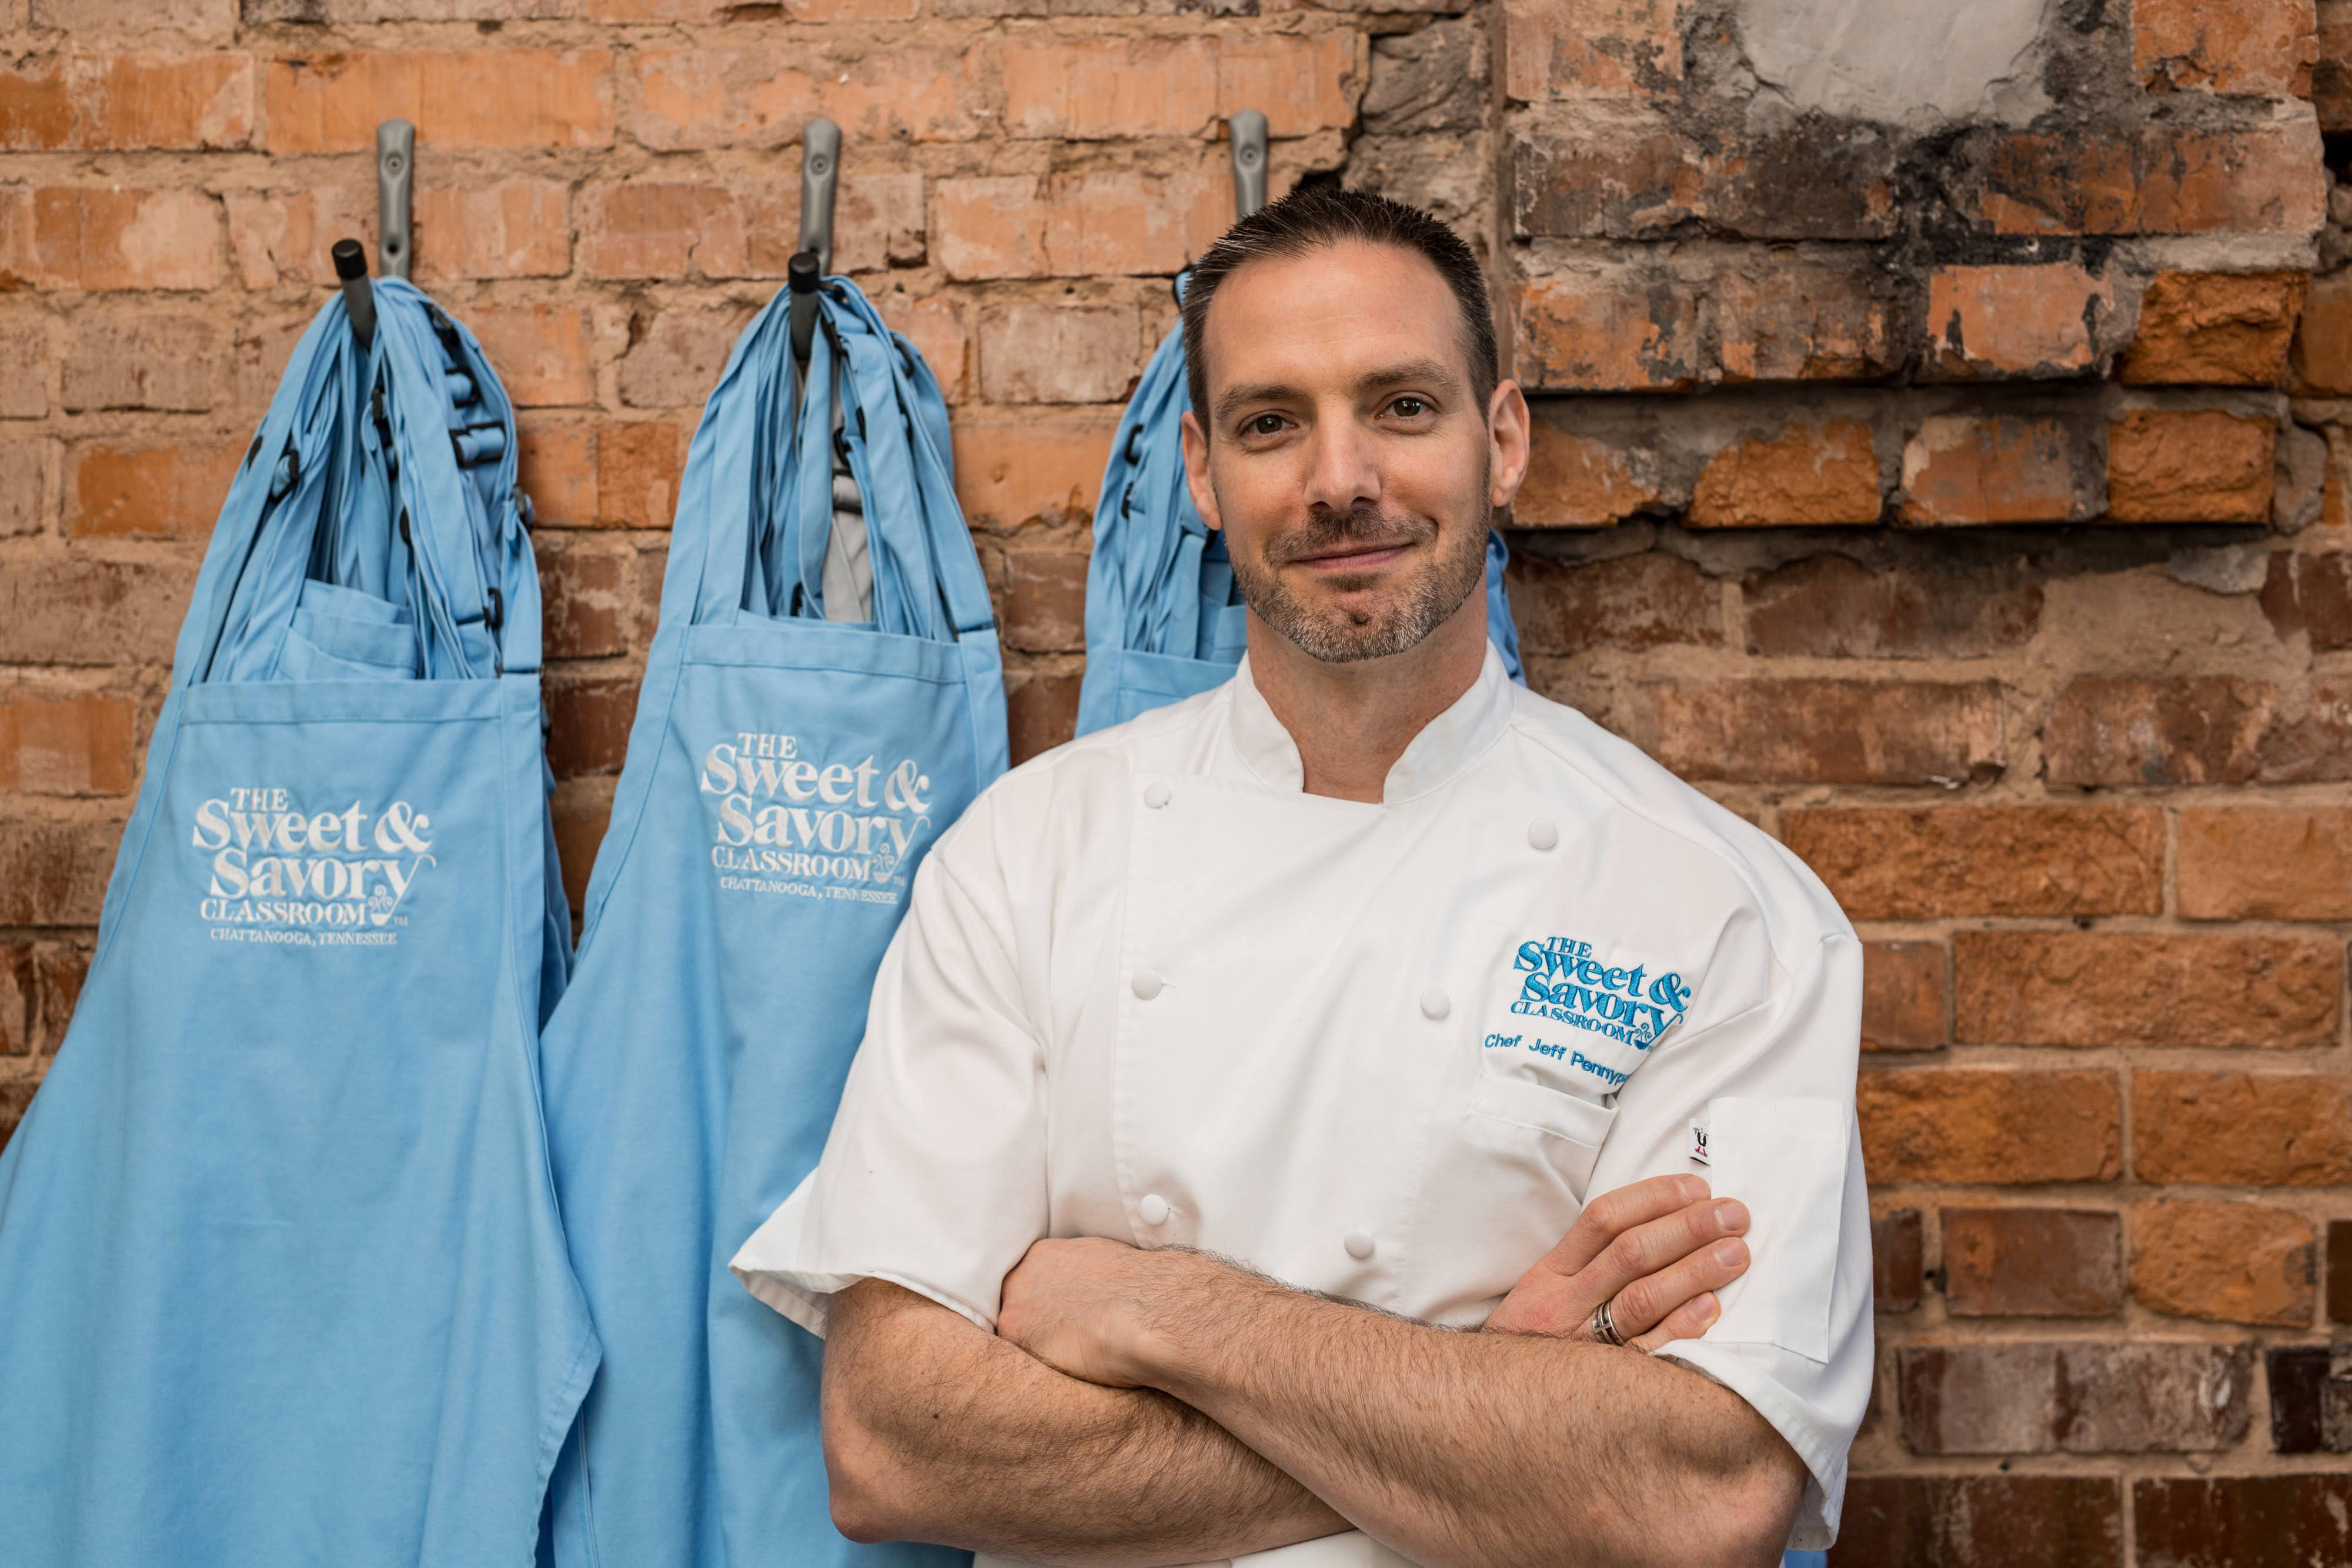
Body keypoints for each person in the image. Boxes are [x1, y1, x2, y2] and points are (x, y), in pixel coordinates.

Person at [731, 186, 1872, 1567]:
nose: (1340, 480)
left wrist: (1164, 1312)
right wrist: (1491, 1399)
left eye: (1402, 406)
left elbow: (1703, 1493)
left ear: (1502, 440)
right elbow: (892, 1441)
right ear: (1203, 473)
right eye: (1272, 423)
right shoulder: (1025, 856)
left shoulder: (1722, 910)